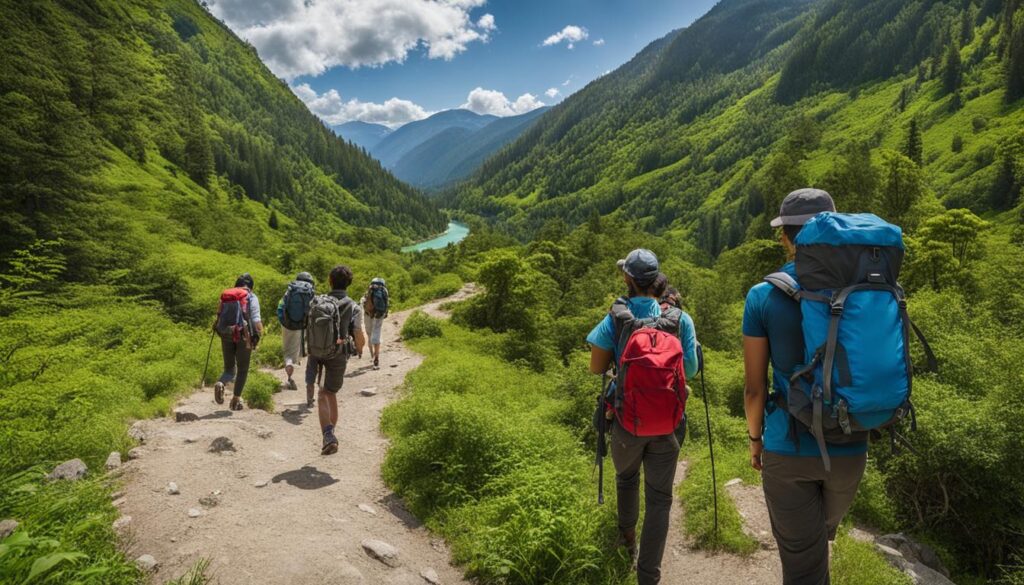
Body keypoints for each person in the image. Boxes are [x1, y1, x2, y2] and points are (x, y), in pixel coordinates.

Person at [742, 189, 867, 585]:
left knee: (803, 567)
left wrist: (755, 439)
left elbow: (754, 390)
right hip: (851, 444)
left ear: (786, 236)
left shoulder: (763, 296)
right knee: (816, 548)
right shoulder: (863, 291)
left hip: (788, 446)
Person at [587, 249, 698, 585]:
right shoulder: (680, 319)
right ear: (657, 280)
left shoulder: (616, 319)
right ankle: (649, 576)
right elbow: (690, 369)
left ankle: (627, 540)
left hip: (626, 421)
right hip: (668, 424)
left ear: (627, 279)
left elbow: (595, 367)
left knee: (626, 479)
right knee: (661, 499)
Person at [305, 265, 366, 455]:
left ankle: (328, 434)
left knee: (324, 393)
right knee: (328, 392)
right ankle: (329, 434)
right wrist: (360, 348)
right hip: (338, 354)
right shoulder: (353, 305)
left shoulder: (318, 301)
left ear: (330, 281)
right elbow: (357, 332)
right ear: (349, 283)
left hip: (316, 351)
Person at [214, 273, 263, 411]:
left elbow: (218, 315)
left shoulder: (226, 296)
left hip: (225, 333)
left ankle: (220, 382)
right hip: (243, 335)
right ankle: (235, 400)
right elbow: (256, 319)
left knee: (229, 369)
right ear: (251, 287)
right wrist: (258, 334)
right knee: (242, 369)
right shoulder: (251, 297)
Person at [277, 271, 316, 398]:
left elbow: (280, 306)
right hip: (303, 324)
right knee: (301, 347)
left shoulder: (290, 290)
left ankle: (289, 372)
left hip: (287, 323)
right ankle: (301, 363)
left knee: (288, 350)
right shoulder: (309, 292)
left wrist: (283, 321)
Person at [360, 277, 389, 370]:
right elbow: (386, 304)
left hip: (368, 314)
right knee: (377, 333)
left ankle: (372, 355)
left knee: (369, 335)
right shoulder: (384, 290)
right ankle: (376, 359)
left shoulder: (369, 290)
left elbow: (363, 304)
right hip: (379, 315)